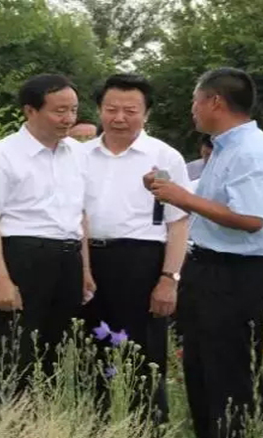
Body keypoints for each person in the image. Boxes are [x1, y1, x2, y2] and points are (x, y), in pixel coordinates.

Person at [145, 67, 263, 438]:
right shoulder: (225, 148)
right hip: (208, 268)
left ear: (215, 102)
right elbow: (214, 203)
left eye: (195, 101)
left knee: (230, 375)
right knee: (201, 371)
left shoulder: (252, 151)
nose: (192, 109)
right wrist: (169, 189)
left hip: (238, 274)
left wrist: (182, 198)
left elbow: (250, 218)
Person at [0, 74, 88, 413]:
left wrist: (85, 270)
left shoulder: (78, 155)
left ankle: (43, 423)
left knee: (54, 353)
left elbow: (81, 215)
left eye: (73, 110)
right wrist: (0, 279)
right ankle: (3, 423)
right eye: (59, 111)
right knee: (11, 352)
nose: (68, 119)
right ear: (30, 111)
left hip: (68, 258)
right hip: (22, 258)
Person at [81, 73, 191, 423]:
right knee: (89, 353)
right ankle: (93, 425)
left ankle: (148, 427)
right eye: (111, 109)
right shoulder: (78, 155)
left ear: (146, 113)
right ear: (99, 109)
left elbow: (178, 222)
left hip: (141, 262)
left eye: (130, 111)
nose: (119, 118)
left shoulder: (164, 157)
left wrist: (169, 278)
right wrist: (82, 267)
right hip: (86, 260)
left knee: (144, 356)